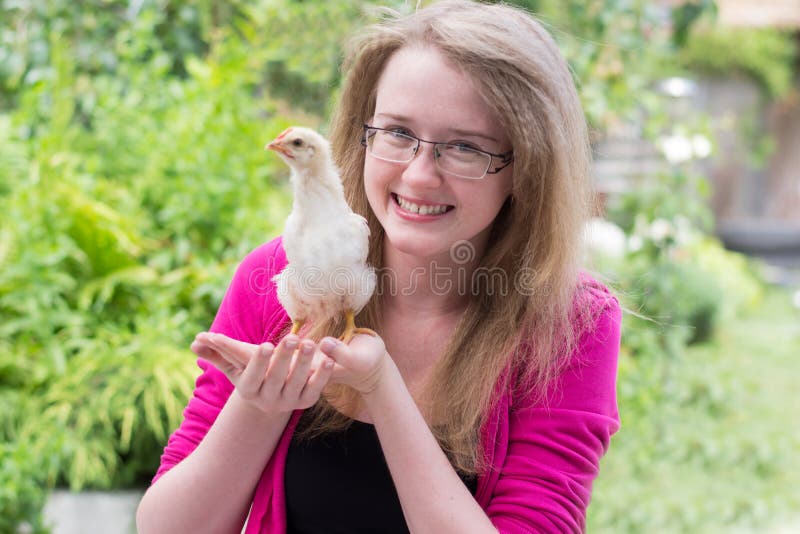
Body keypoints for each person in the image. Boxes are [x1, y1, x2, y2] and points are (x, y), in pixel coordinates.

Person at [136, 1, 621, 532]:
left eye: (464, 147)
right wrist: (259, 405)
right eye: (396, 133)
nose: (417, 177)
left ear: (526, 168)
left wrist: (380, 387)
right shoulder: (283, 278)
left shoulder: (571, 326)